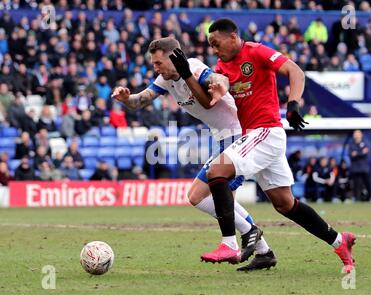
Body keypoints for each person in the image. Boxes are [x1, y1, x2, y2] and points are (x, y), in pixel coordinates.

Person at [178, 18, 355, 272]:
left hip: (266, 132)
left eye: (217, 44)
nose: (215, 50)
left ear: (233, 37)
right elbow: (210, 98)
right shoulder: (222, 66)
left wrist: (293, 103)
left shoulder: (257, 51)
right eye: (211, 46)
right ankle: (340, 241)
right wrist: (187, 75)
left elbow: (295, 71)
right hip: (255, 139)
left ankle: (229, 243)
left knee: (217, 171)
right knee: (285, 203)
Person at [112, 37, 276, 270]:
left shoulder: (195, 68)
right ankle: (263, 251)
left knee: (213, 195)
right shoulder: (165, 79)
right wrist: (126, 97)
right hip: (223, 139)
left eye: (159, 63)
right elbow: (140, 100)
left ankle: (243, 238)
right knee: (207, 197)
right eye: (153, 64)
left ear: (174, 57)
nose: (155, 68)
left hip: (240, 136)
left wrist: (219, 84)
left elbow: (215, 77)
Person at [349, 130, 371, 201]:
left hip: (364, 168)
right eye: (355, 134)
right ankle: (357, 199)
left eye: (358, 134)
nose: (357, 136)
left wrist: (357, 153)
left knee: (368, 184)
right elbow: (351, 154)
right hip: (355, 169)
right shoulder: (351, 144)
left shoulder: (365, 143)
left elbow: (366, 152)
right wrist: (361, 152)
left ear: (361, 135)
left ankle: (370, 198)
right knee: (357, 185)